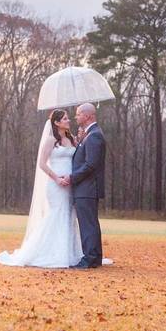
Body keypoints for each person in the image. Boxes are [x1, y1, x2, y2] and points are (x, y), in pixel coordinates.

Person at [0, 109, 84, 268]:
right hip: (56, 185)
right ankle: (47, 252)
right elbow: (42, 164)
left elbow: (79, 155)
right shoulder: (51, 140)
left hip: (70, 183)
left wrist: (81, 139)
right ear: (56, 122)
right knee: (57, 214)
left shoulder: (71, 139)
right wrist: (57, 178)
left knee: (68, 215)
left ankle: (67, 252)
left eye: (68, 118)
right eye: (65, 119)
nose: (68, 120)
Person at [62, 103, 105, 269]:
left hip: (87, 188)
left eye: (78, 114)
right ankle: (95, 257)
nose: (75, 117)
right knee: (90, 223)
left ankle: (89, 258)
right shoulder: (89, 135)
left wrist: (72, 178)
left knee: (88, 224)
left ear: (88, 116)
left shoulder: (94, 135)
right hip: (86, 188)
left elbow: (90, 165)